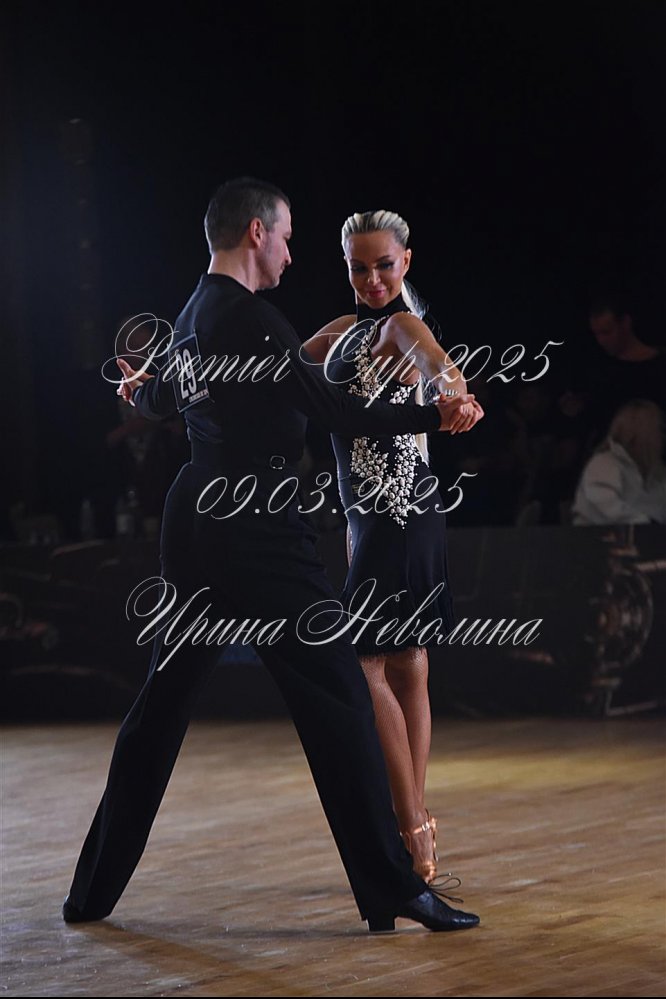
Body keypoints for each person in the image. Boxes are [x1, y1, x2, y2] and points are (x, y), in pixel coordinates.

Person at [62, 177, 481, 934]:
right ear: (257, 232)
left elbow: (163, 399)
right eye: (286, 237)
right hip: (253, 528)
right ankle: (395, 886)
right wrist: (435, 413)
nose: (291, 253)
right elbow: (333, 409)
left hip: (195, 520)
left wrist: (139, 392)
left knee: (161, 705)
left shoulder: (195, 312)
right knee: (343, 694)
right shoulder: (251, 319)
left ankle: (90, 891)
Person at [300, 210, 484, 886]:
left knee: (365, 661)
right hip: (373, 523)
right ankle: (418, 824)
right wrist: (167, 378)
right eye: (359, 267)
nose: (372, 278)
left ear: (406, 261)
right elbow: (267, 372)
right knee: (407, 664)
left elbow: (440, 366)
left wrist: (456, 396)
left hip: (401, 514)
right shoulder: (338, 333)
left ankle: (408, 825)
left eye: (384, 264)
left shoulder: (403, 325)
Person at [571, 399, 666, 525]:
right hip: (599, 535)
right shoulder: (604, 463)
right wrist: (647, 523)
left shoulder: (657, 471)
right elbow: (606, 507)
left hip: (648, 535)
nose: (662, 436)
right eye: (659, 429)